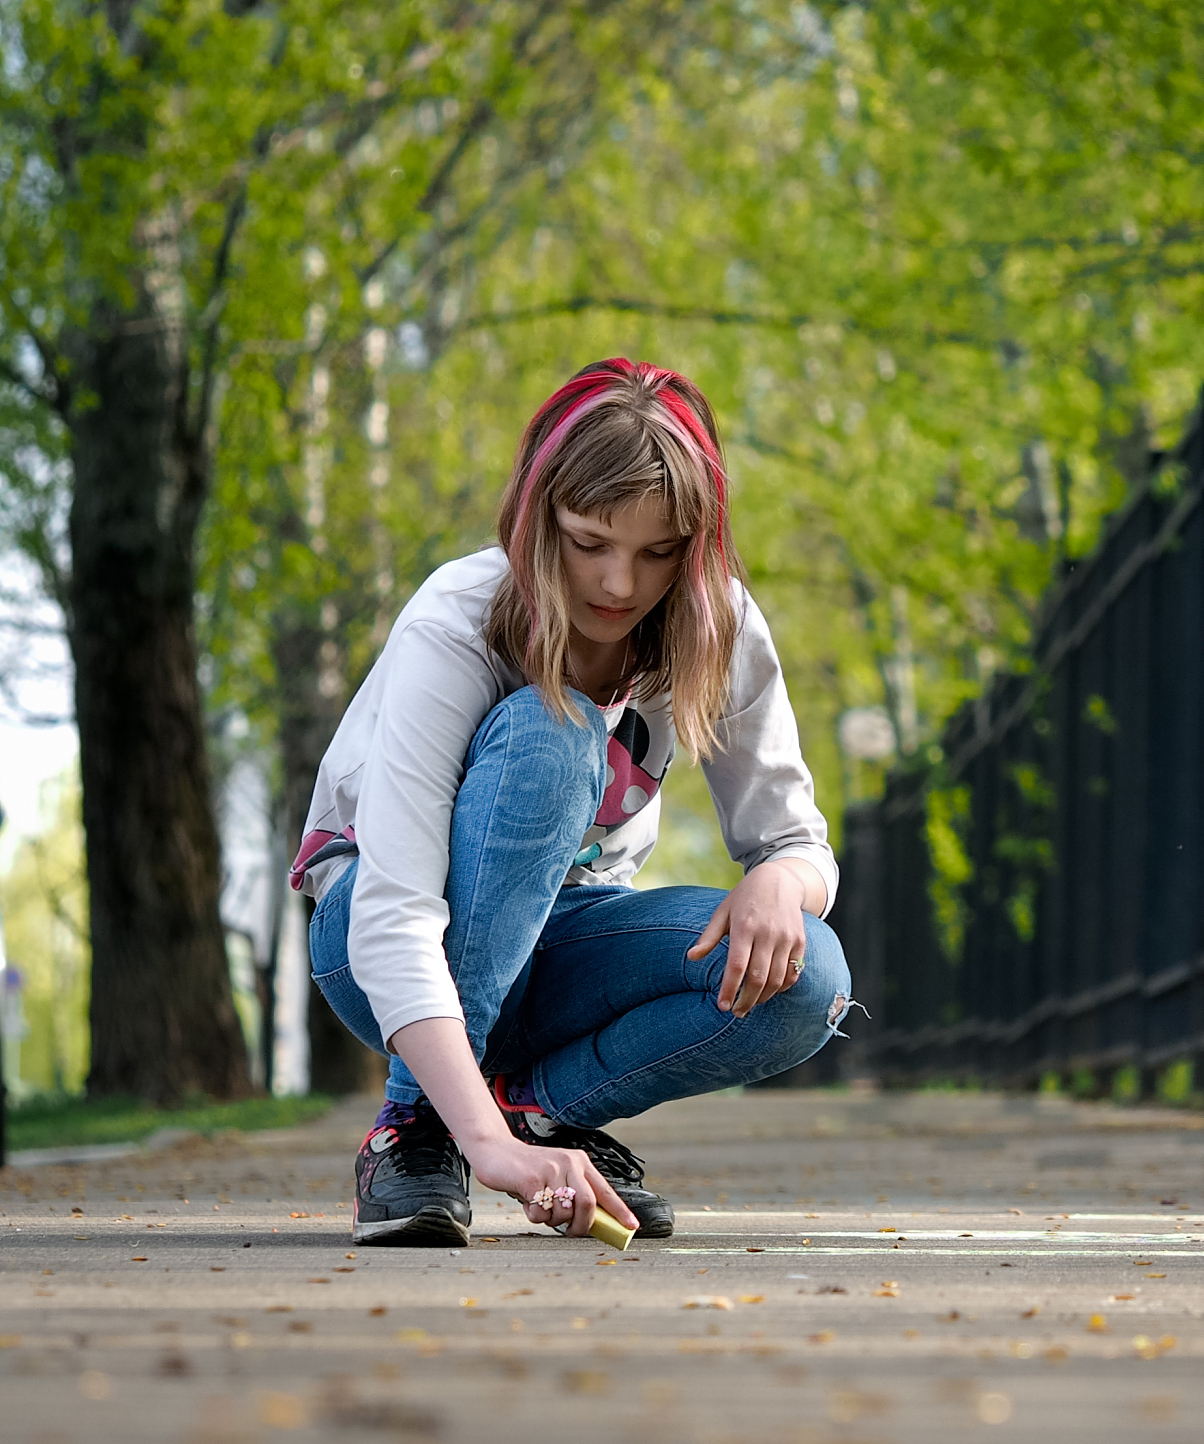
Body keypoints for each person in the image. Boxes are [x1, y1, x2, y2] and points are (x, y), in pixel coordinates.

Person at [291, 358, 851, 1246]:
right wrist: (481, 1148)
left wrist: (782, 882)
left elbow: (797, 842)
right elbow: (396, 915)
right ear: (536, 516)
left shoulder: (719, 624)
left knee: (808, 976)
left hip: (560, 943)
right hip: (378, 938)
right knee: (552, 732)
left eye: (658, 552)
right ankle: (417, 1126)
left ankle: (541, 1111)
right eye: (590, 543)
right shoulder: (458, 619)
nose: (621, 585)